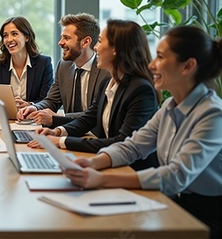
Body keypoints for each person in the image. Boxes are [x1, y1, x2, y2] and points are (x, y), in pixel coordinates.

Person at [63, 26, 222, 238]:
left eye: (160, 57)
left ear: (188, 66)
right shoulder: (169, 106)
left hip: (205, 216)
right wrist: (93, 163)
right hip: (170, 199)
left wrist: (101, 180)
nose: (151, 64)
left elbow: (177, 175)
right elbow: (133, 145)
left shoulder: (212, 114)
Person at [28, 19, 159, 170]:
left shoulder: (140, 90)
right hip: (108, 163)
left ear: (115, 49)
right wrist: (56, 132)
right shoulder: (108, 83)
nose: (95, 47)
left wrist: (61, 141)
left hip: (132, 171)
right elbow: (87, 119)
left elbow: (122, 141)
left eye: (100, 42)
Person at [18, 13, 109, 125]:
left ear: (86, 42)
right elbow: (52, 100)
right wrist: (35, 108)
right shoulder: (64, 66)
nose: (60, 42)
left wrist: (58, 117)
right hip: (67, 132)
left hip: (94, 135)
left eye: (66, 38)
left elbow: (95, 113)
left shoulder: (106, 71)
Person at [0, 16, 54, 108]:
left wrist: (30, 105)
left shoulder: (44, 63)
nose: (9, 39)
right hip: (4, 116)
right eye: (5, 35)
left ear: (27, 37)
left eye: (14, 34)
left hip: (32, 118)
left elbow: (46, 99)